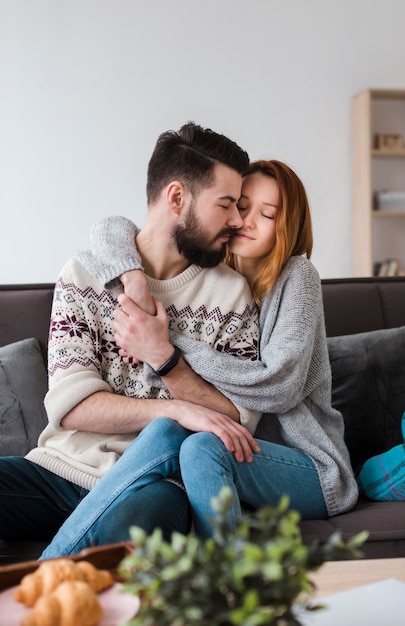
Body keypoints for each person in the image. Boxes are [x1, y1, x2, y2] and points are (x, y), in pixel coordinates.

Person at [40, 159, 358, 557]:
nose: (245, 220)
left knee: (197, 446)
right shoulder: (218, 267)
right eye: (241, 206)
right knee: (178, 436)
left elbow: (279, 385)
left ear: (288, 225)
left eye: (267, 214)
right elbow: (111, 229)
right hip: (238, 457)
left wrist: (165, 345)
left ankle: (224, 585)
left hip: (309, 466)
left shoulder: (298, 276)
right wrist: (134, 280)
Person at [0, 122, 262, 552]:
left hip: (155, 484)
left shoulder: (230, 295)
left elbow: (237, 418)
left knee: (143, 527)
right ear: (177, 198)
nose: (236, 221)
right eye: (226, 204)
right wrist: (179, 410)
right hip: (62, 471)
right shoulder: (84, 275)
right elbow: (72, 407)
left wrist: (166, 361)